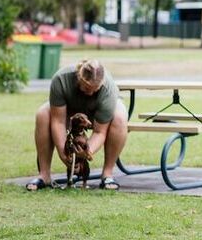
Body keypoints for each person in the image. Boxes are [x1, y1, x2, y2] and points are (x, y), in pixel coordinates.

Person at [26, 59, 128, 191]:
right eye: (87, 88)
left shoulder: (107, 89)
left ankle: (107, 174)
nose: (90, 93)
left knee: (119, 118)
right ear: (79, 77)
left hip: (96, 114)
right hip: (69, 110)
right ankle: (44, 175)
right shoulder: (61, 79)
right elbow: (58, 121)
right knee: (42, 114)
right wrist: (65, 155)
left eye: (94, 90)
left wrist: (85, 152)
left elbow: (99, 132)